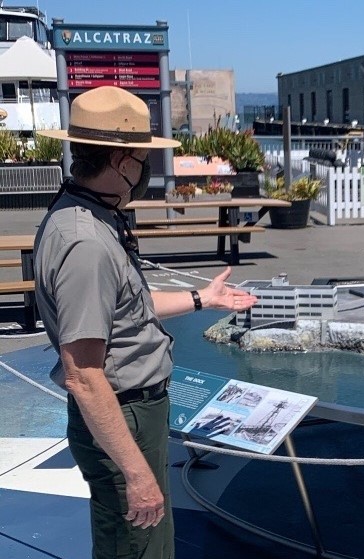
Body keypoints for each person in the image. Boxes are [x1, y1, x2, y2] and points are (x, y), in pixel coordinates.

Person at [33, 86, 258, 559]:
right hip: (123, 415)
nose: (147, 172)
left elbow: (124, 310)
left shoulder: (90, 215)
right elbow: (84, 373)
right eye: (143, 159)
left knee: (139, 542)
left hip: (133, 413)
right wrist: (137, 474)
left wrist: (202, 299)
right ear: (120, 162)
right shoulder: (87, 244)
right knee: (138, 546)